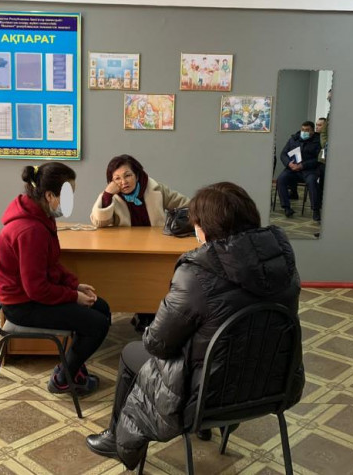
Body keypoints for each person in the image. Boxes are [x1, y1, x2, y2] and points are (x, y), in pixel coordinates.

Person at [85, 182, 304, 469]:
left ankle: (118, 439)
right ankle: (214, 426)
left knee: (130, 353)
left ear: (205, 228)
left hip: (206, 395)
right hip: (271, 384)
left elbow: (157, 344)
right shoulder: (283, 264)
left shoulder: (196, 274)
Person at [0, 162, 111, 396]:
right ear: (50, 195)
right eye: (68, 195)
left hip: (30, 295)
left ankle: (72, 366)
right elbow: (37, 289)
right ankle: (63, 378)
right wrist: (73, 297)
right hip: (22, 305)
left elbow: (50, 264)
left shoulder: (41, 216)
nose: (70, 201)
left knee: (102, 308)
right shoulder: (31, 230)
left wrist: (74, 285)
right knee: (97, 324)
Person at [90, 155, 190, 332]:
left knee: (157, 278)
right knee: (130, 280)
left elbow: (186, 204)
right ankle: (142, 313)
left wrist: (180, 222)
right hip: (127, 250)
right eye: (117, 178)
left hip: (156, 247)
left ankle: (152, 315)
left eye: (127, 175)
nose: (123, 182)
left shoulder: (156, 189)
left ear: (137, 174)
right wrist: (107, 195)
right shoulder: (111, 196)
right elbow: (99, 222)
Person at [277, 121, 322, 221]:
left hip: (309, 170)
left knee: (312, 182)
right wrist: (289, 164)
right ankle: (287, 208)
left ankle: (316, 210)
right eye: (303, 130)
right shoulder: (294, 139)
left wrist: (303, 165)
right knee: (281, 179)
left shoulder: (318, 141)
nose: (304, 132)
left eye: (307, 130)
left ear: (312, 131)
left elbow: (318, 159)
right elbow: (283, 154)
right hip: (292, 168)